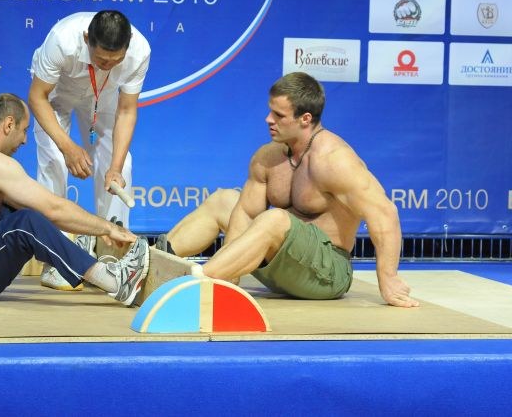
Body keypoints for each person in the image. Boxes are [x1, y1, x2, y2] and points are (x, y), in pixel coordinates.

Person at [155, 72, 418, 307]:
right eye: (270, 111)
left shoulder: (334, 160)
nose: (268, 120)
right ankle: (149, 265)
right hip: (280, 268)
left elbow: (384, 213)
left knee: (275, 219)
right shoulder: (268, 157)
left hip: (326, 274)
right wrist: (231, 278)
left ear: (305, 119)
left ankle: (195, 283)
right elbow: (245, 214)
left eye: (279, 115)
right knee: (223, 200)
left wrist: (388, 278)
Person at [0, 93, 150, 305]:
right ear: (9, 124)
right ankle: (115, 282)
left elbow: (43, 206)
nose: (24, 141)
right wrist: (107, 228)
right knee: (26, 221)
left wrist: (93, 229)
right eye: (24, 130)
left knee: (23, 206)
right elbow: (53, 209)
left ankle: (75, 258)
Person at [28, 10, 150, 290]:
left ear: (128, 44)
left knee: (122, 168)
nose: (108, 65)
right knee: (55, 162)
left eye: (115, 60)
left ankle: (111, 259)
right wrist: (68, 146)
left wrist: (115, 168)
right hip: (56, 94)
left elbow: (128, 110)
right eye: (101, 59)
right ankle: (55, 261)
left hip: (102, 98)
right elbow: (37, 97)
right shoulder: (62, 40)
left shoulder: (140, 49)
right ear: (87, 40)